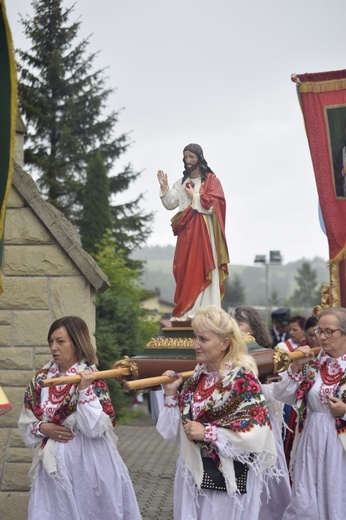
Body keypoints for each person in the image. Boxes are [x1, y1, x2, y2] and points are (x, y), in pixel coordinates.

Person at [156, 306, 278, 520]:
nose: (196, 345)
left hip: (227, 478)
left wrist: (208, 433)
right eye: (195, 337)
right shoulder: (197, 378)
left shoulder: (243, 379)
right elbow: (176, 433)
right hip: (194, 473)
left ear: (224, 343)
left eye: (203, 339)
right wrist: (170, 394)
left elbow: (256, 433)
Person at [18, 316, 141, 520]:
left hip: (89, 464)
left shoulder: (93, 378)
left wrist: (84, 391)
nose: (54, 347)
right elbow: (27, 421)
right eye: (51, 342)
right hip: (53, 469)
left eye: (60, 341)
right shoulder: (41, 379)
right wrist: (43, 428)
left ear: (77, 343)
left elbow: (94, 429)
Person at [273, 307, 346, 519]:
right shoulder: (313, 361)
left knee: (336, 493)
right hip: (311, 436)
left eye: (329, 332)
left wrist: (344, 411)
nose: (322, 337)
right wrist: (295, 366)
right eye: (319, 331)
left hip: (339, 443)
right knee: (305, 498)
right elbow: (283, 394)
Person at [157, 143, 229, 321]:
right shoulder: (181, 183)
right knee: (183, 269)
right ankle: (184, 311)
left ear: (199, 159)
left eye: (191, 157)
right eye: (186, 157)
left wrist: (195, 197)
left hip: (205, 234)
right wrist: (164, 187)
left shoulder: (211, 180)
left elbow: (217, 205)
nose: (188, 161)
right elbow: (170, 204)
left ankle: (204, 312)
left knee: (203, 267)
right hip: (186, 233)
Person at [232, 306, 291, 520]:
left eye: (240, 323)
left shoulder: (267, 356)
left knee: (266, 481)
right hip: (236, 429)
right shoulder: (229, 355)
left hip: (263, 424)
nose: (234, 327)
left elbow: (275, 393)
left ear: (253, 328)